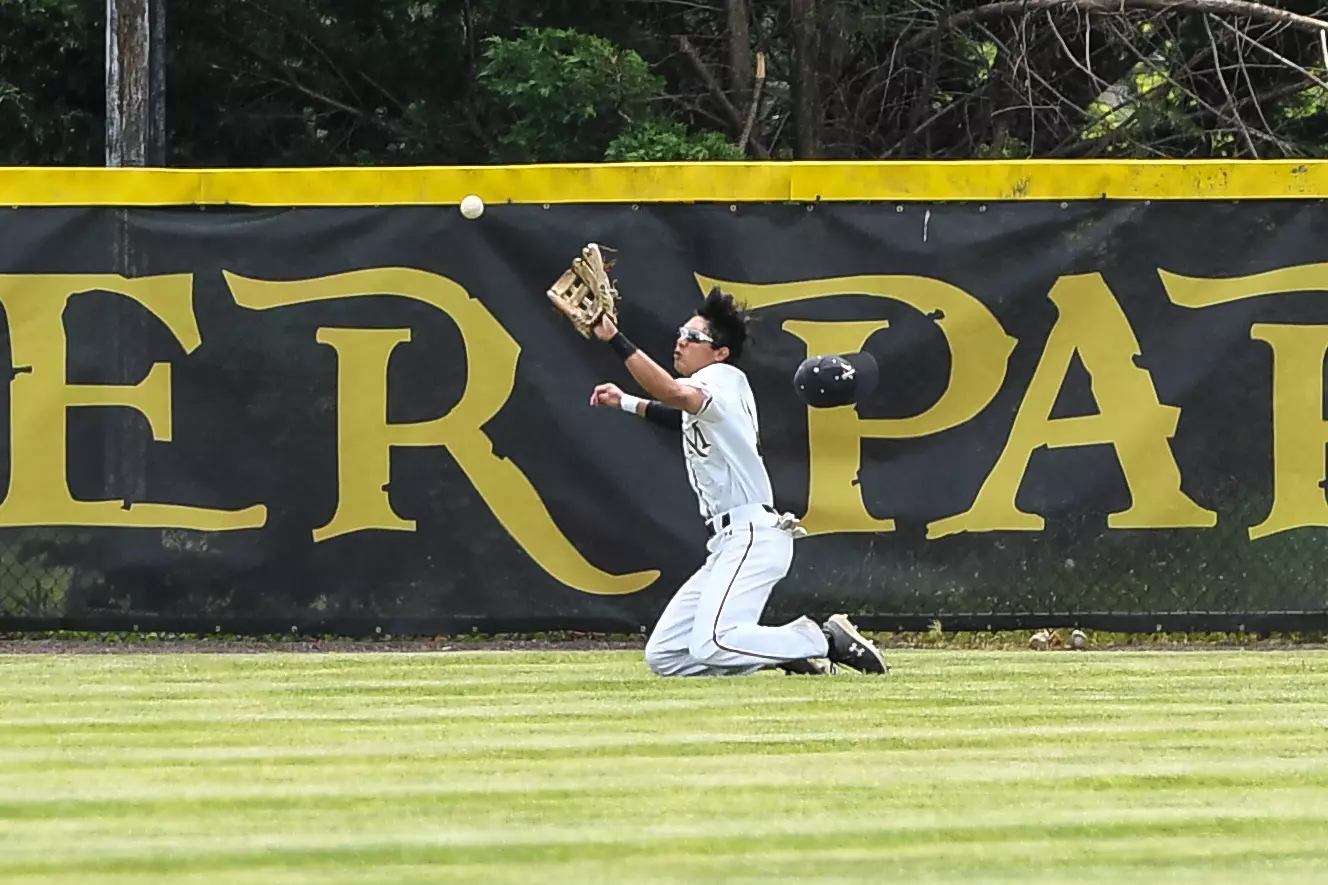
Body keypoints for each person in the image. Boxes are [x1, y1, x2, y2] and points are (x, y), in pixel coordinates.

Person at [586, 287, 890, 677]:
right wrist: (626, 401)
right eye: (682, 331)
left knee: (712, 641)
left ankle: (825, 638)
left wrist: (614, 339)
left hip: (752, 536)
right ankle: (774, 648)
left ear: (720, 353)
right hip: (729, 542)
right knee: (665, 655)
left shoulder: (721, 377)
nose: (681, 340)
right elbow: (678, 414)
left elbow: (670, 392)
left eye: (694, 337)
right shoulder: (712, 393)